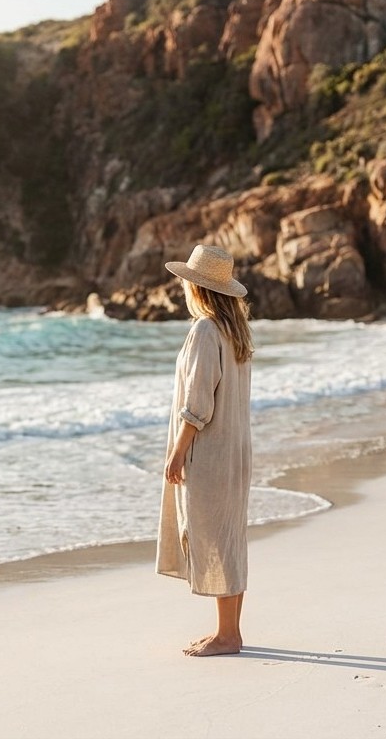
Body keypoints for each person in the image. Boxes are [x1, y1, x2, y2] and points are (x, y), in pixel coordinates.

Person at [156, 244, 254, 657]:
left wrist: (178, 452)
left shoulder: (204, 331)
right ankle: (228, 631)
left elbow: (197, 405)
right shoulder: (236, 334)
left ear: (197, 289)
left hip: (209, 454)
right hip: (236, 452)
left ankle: (228, 635)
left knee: (215, 540)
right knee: (229, 539)